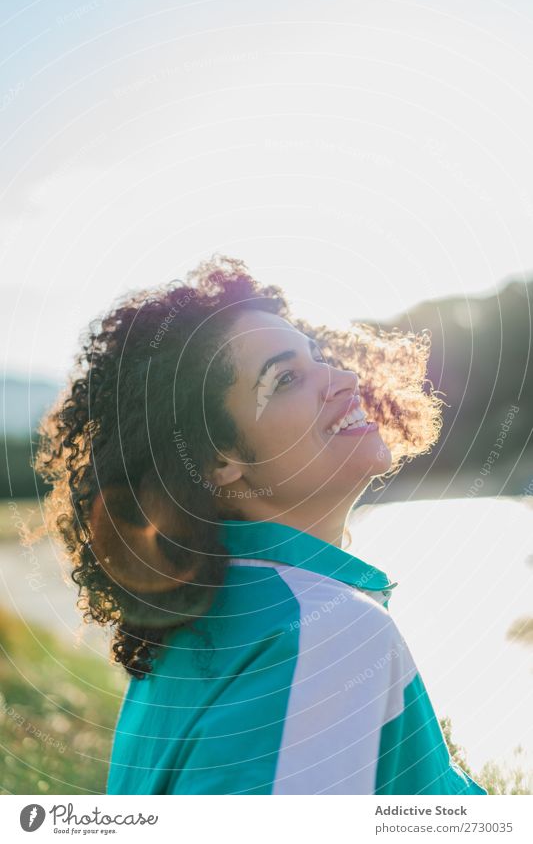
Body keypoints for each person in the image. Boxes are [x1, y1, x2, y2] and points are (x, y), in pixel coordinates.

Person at [35, 254, 487, 795]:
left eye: (320, 357)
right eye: (286, 378)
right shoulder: (329, 631)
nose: (344, 378)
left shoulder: (203, 635)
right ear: (219, 459)